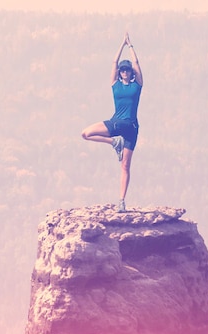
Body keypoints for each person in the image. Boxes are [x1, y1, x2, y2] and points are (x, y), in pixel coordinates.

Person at [81, 32, 143, 213]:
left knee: (125, 166)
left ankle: (122, 201)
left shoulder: (136, 85)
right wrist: (121, 44)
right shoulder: (115, 84)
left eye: (127, 70)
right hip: (116, 123)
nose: (125, 71)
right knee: (85, 133)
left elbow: (137, 64)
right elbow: (113, 63)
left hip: (131, 127)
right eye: (123, 70)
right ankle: (114, 142)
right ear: (119, 72)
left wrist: (130, 46)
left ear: (131, 73)